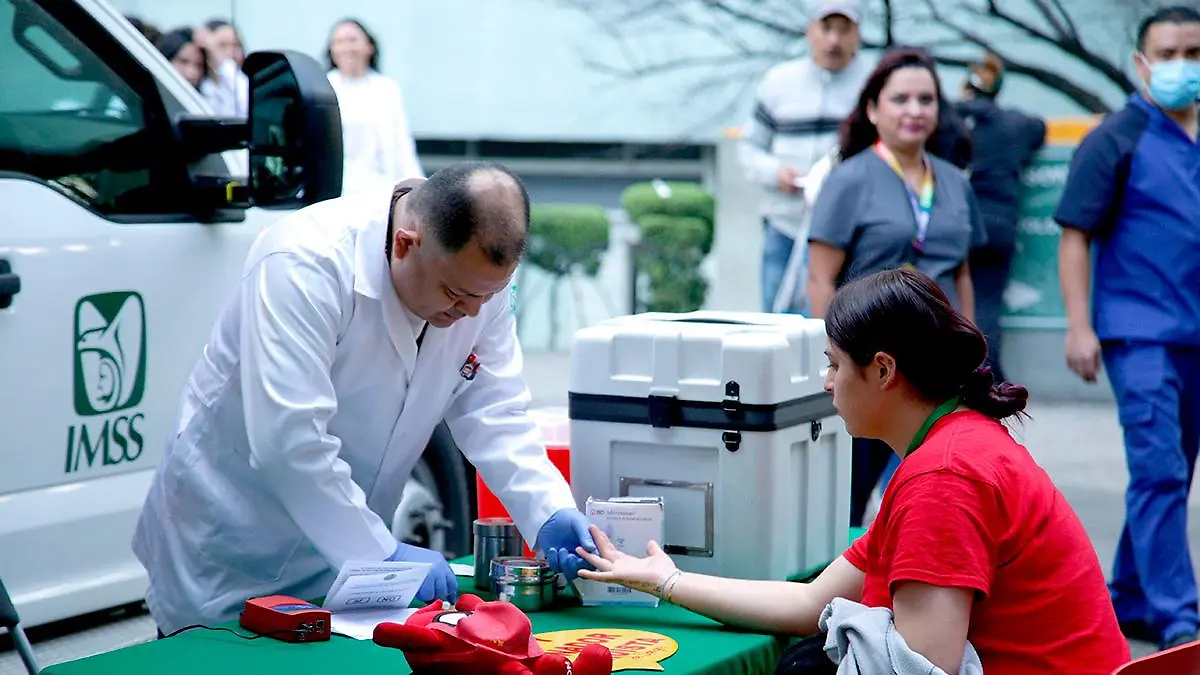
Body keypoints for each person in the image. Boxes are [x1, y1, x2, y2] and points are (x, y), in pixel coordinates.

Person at [575, 267, 1131, 674]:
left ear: (883, 370)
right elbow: (809, 601)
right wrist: (666, 581)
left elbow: (919, 666)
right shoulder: (947, 447)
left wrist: (837, 633)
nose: (825, 383)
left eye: (834, 364)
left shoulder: (945, 475)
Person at [132, 163, 597, 636]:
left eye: (488, 296)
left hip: (350, 559)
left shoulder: (474, 281)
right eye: (456, 294)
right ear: (405, 243)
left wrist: (548, 510)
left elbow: (493, 411)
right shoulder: (303, 261)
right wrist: (381, 553)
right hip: (233, 540)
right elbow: (288, 439)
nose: (471, 314)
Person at [1055, 5, 1200, 652]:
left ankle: (1131, 596)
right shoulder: (1115, 137)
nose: (1182, 66)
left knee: (1172, 470)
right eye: (1168, 54)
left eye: (1194, 53)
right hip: (1138, 332)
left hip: (1194, 334)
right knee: (1161, 469)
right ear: (1141, 64)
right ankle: (1179, 614)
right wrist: (1079, 327)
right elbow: (1074, 235)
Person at [805, 47, 987, 528]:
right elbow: (821, 277)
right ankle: (833, 593)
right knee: (847, 495)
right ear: (872, 109)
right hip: (872, 369)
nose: (915, 110)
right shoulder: (848, 180)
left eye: (926, 100)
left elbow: (962, 271)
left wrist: (974, 349)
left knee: (934, 487)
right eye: (900, 98)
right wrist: (839, 361)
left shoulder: (953, 181)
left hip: (939, 368)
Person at [738, 0, 871, 314]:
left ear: (857, 36)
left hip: (848, 230)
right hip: (784, 222)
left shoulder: (872, 85)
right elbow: (749, 148)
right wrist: (775, 173)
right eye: (826, 28)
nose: (834, 40)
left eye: (844, 30)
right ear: (810, 31)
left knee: (845, 322)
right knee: (777, 321)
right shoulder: (778, 82)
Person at [955, 53, 1046, 384]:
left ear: (966, 86)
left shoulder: (949, 118)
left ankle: (966, 375)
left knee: (953, 300)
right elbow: (1040, 128)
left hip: (958, 223)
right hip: (1000, 223)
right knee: (987, 303)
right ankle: (987, 375)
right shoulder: (1015, 123)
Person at [326, 18, 424, 195]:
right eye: (339, 42)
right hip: (337, 191)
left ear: (369, 46)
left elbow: (402, 143)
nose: (347, 47)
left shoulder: (386, 88)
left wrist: (416, 189)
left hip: (381, 189)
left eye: (353, 40)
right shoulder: (323, 87)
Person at [194, 18, 249, 118]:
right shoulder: (203, 88)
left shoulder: (244, 84)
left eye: (236, 45)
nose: (231, 52)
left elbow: (247, 106)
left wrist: (225, 66)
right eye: (222, 46)